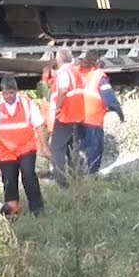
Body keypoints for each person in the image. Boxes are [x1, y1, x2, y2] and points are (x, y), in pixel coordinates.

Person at [0, 77, 46, 217]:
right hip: (5, 151)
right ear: (2, 92)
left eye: (11, 93)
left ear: (16, 91)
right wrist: (4, 145)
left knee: (28, 175)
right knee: (9, 179)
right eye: (6, 93)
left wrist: (45, 146)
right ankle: (12, 211)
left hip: (26, 147)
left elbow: (39, 125)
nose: (9, 96)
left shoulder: (27, 103)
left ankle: (37, 209)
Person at [77, 52, 123, 174]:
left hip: (78, 118)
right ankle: (92, 176)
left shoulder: (81, 73)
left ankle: (78, 174)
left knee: (81, 148)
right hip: (93, 118)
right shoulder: (98, 76)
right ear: (97, 62)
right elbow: (108, 96)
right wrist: (118, 110)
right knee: (95, 148)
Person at [48, 47, 85, 187]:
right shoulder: (76, 71)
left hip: (65, 116)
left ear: (60, 59)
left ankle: (61, 181)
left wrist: (57, 107)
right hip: (78, 115)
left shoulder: (64, 72)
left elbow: (63, 90)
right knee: (73, 148)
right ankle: (77, 180)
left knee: (57, 148)